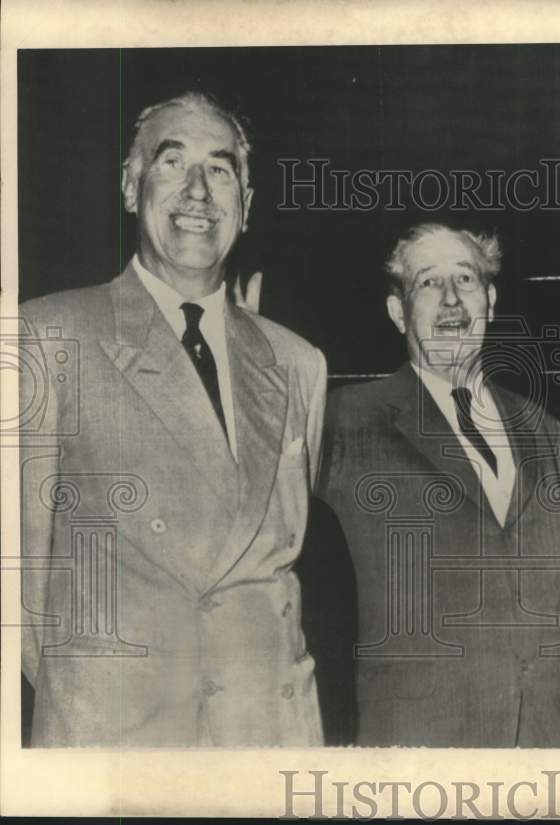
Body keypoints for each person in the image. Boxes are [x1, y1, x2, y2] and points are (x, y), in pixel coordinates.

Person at [19, 92, 328, 746]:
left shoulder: (298, 363)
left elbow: (276, 561)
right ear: (130, 188)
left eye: (219, 170)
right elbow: (14, 586)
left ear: (246, 201)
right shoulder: (47, 336)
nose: (198, 191)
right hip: (121, 750)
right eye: (171, 162)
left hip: (266, 742)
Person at [318, 223, 560, 747]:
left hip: (542, 751)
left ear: (489, 300)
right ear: (398, 312)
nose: (450, 301)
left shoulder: (545, 429)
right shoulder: (344, 421)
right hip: (418, 759)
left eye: (465, 279)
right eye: (428, 283)